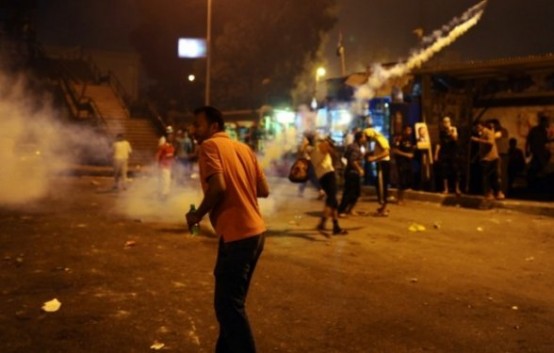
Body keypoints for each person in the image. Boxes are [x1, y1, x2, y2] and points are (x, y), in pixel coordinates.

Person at [185, 106, 269, 353]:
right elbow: (263, 190)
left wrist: (196, 215)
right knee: (231, 305)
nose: (193, 130)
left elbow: (219, 186)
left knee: (228, 307)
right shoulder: (244, 149)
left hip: (239, 236)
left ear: (213, 127)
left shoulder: (209, 147)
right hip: (255, 234)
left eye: (198, 125)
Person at [301, 135, 347, 235]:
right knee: (331, 199)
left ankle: (336, 226)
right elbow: (334, 154)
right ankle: (322, 223)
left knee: (333, 201)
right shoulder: (321, 146)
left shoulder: (310, 149)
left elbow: (304, 149)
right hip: (328, 173)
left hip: (320, 176)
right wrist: (329, 143)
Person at [471, 121, 505, 200]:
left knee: (495, 176)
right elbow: (482, 148)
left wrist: (478, 140)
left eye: (476, 127)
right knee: (487, 177)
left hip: (492, 158)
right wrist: (475, 157)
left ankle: (498, 192)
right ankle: (489, 193)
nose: (476, 130)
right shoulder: (481, 134)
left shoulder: (488, 132)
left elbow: (490, 142)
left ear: (480, 126)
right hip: (485, 158)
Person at [338, 131, 367, 216]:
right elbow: (352, 160)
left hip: (351, 172)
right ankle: (341, 210)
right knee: (349, 193)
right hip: (352, 172)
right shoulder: (355, 148)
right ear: (360, 138)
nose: (365, 139)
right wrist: (359, 169)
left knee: (356, 193)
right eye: (364, 137)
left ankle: (350, 209)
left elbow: (345, 157)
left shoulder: (355, 146)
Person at [364, 127, 391, 216]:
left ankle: (384, 208)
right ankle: (383, 207)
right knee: (380, 184)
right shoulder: (378, 140)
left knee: (381, 185)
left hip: (383, 164)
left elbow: (386, 152)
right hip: (381, 163)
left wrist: (374, 158)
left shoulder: (380, 139)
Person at [434, 116, 461, 195]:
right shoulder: (442, 132)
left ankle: (457, 188)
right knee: (444, 171)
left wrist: (451, 131)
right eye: (444, 122)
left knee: (455, 170)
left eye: (447, 121)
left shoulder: (453, 129)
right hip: (444, 153)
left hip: (453, 153)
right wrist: (436, 154)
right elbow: (439, 143)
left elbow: (455, 138)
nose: (446, 123)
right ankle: (446, 189)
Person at [525, 113, 551, 188]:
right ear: (542, 122)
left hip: (541, 152)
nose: (547, 124)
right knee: (535, 168)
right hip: (536, 152)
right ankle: (531, 184)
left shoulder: (544, 131)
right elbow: (528, 140)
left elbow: (545, 141)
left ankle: (534, 184)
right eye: (546, 122)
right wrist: (526, 150)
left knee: (538, 167)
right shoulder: (534, 130)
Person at [297, 132, 325, 200]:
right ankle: (301, 191)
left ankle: (320, 191)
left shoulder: (308, 147)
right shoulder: (311, 147)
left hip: (307, 163)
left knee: (311, 177)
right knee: (307, 177)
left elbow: (301, 152)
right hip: (308, 163)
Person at [392, 125, 415, 204]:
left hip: (408, 163)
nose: (409, 132)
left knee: (405, 180)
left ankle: (402, 198)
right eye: (408, 130)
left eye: (410, 130)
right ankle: (399, 199)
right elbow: (395, 150)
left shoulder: (410, 140)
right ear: (404, 130)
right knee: (401, 181)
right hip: (401, 162)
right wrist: (406, 154)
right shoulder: (399, 138)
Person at [156, 132, 175, 200]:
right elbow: (158, 156)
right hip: (163, 167)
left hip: (169, 167)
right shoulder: (163, 146)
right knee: (165, 182)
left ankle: (165, 195)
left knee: (167, 181)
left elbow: (171, 157)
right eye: (169, 136)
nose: (171, 137)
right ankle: (163, 196)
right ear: (166, 138)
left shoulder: (172, 147)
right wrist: (159, 165)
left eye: (172, 136)